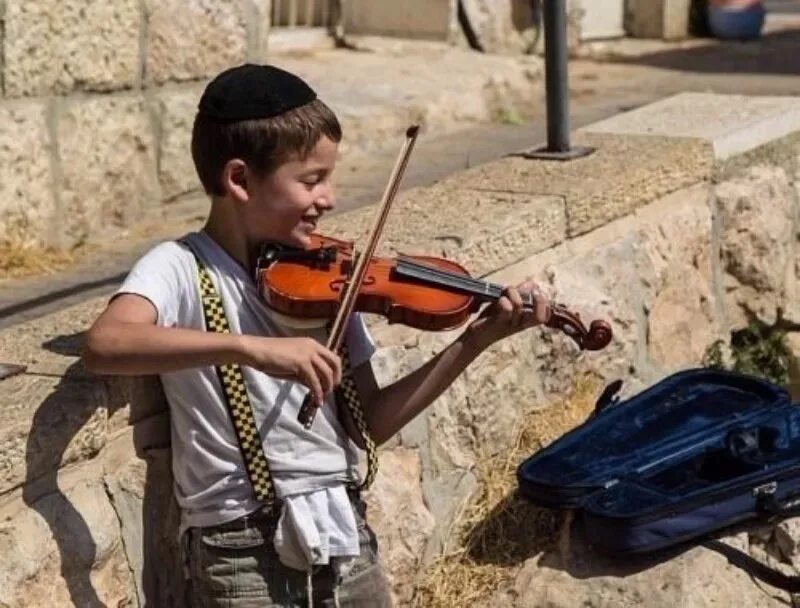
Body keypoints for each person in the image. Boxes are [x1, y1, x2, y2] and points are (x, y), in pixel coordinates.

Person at [82, 63, 550, 608]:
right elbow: (106, 344)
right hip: (240, 551)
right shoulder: (180, 267)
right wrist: (251, 348)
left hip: (346, 538)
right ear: (239, 180)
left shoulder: (329, 279)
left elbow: (370, 422)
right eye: (310, 180)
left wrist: (475, 340)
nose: (329, 198)